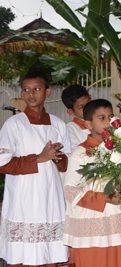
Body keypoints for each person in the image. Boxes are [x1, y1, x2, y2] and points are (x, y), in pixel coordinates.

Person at [0, 71, 70, 266]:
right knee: (22, 256)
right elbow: (2, 163)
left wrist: (56, 158)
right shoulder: (13, 124)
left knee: (49, 254)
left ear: (47, 92)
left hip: (50, 196)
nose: (31, 93)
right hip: (23, 197)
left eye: (37, 89)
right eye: (26, 90)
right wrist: (38, 158)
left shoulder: (58, 124)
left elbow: (67, 165)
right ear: (21, 94)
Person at [62, 99, 121, 267]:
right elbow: (70, 191)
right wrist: (106, 198)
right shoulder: (81, 153)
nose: (108, 122)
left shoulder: (118, 149)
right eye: (101, 118)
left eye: (111, 117)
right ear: (88, 124)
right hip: (93, 225)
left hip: (116, 219)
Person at [61, 84, 91, 153]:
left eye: (89, 102)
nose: (88, 107)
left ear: (90, 97)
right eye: (81, 107)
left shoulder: (104, 120)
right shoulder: (69, 131)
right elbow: (76, 156)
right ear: (71, 112)